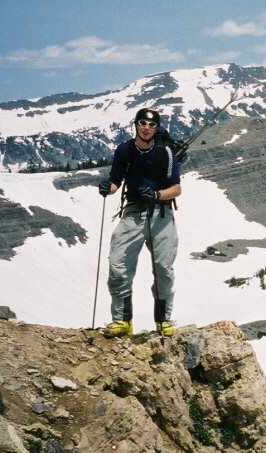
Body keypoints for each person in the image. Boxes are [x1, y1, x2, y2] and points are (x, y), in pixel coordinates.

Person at [98, 108, 181, 338]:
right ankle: (122, 321)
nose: (146, 128)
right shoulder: (124, 150)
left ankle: (163, 320)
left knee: (163, 269)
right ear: (135, 124)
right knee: (118, 266)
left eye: (152, 125)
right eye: (142, 123)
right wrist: (108, 187)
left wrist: (155, 195)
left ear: (157, 128)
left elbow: (176, 189)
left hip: (161, 214)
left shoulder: (165, 153)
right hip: (134, 212)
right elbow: (116, 181)